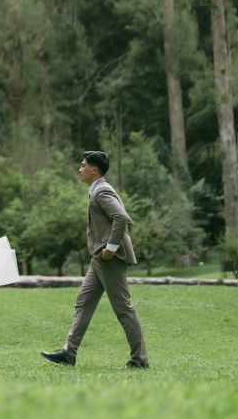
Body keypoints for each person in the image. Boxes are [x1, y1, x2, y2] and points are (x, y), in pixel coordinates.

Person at [40, 151, 149, 369]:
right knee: (84, 301)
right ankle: (69, 353)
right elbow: (125, 220)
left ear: (94, 170)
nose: (80, 169)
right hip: (99, 258)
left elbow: (121, 217)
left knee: (124, 309)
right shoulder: (98, 189)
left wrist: (111, 248)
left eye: (83, 166)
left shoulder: (101, 191)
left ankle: (139, 360)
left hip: (109, 259)